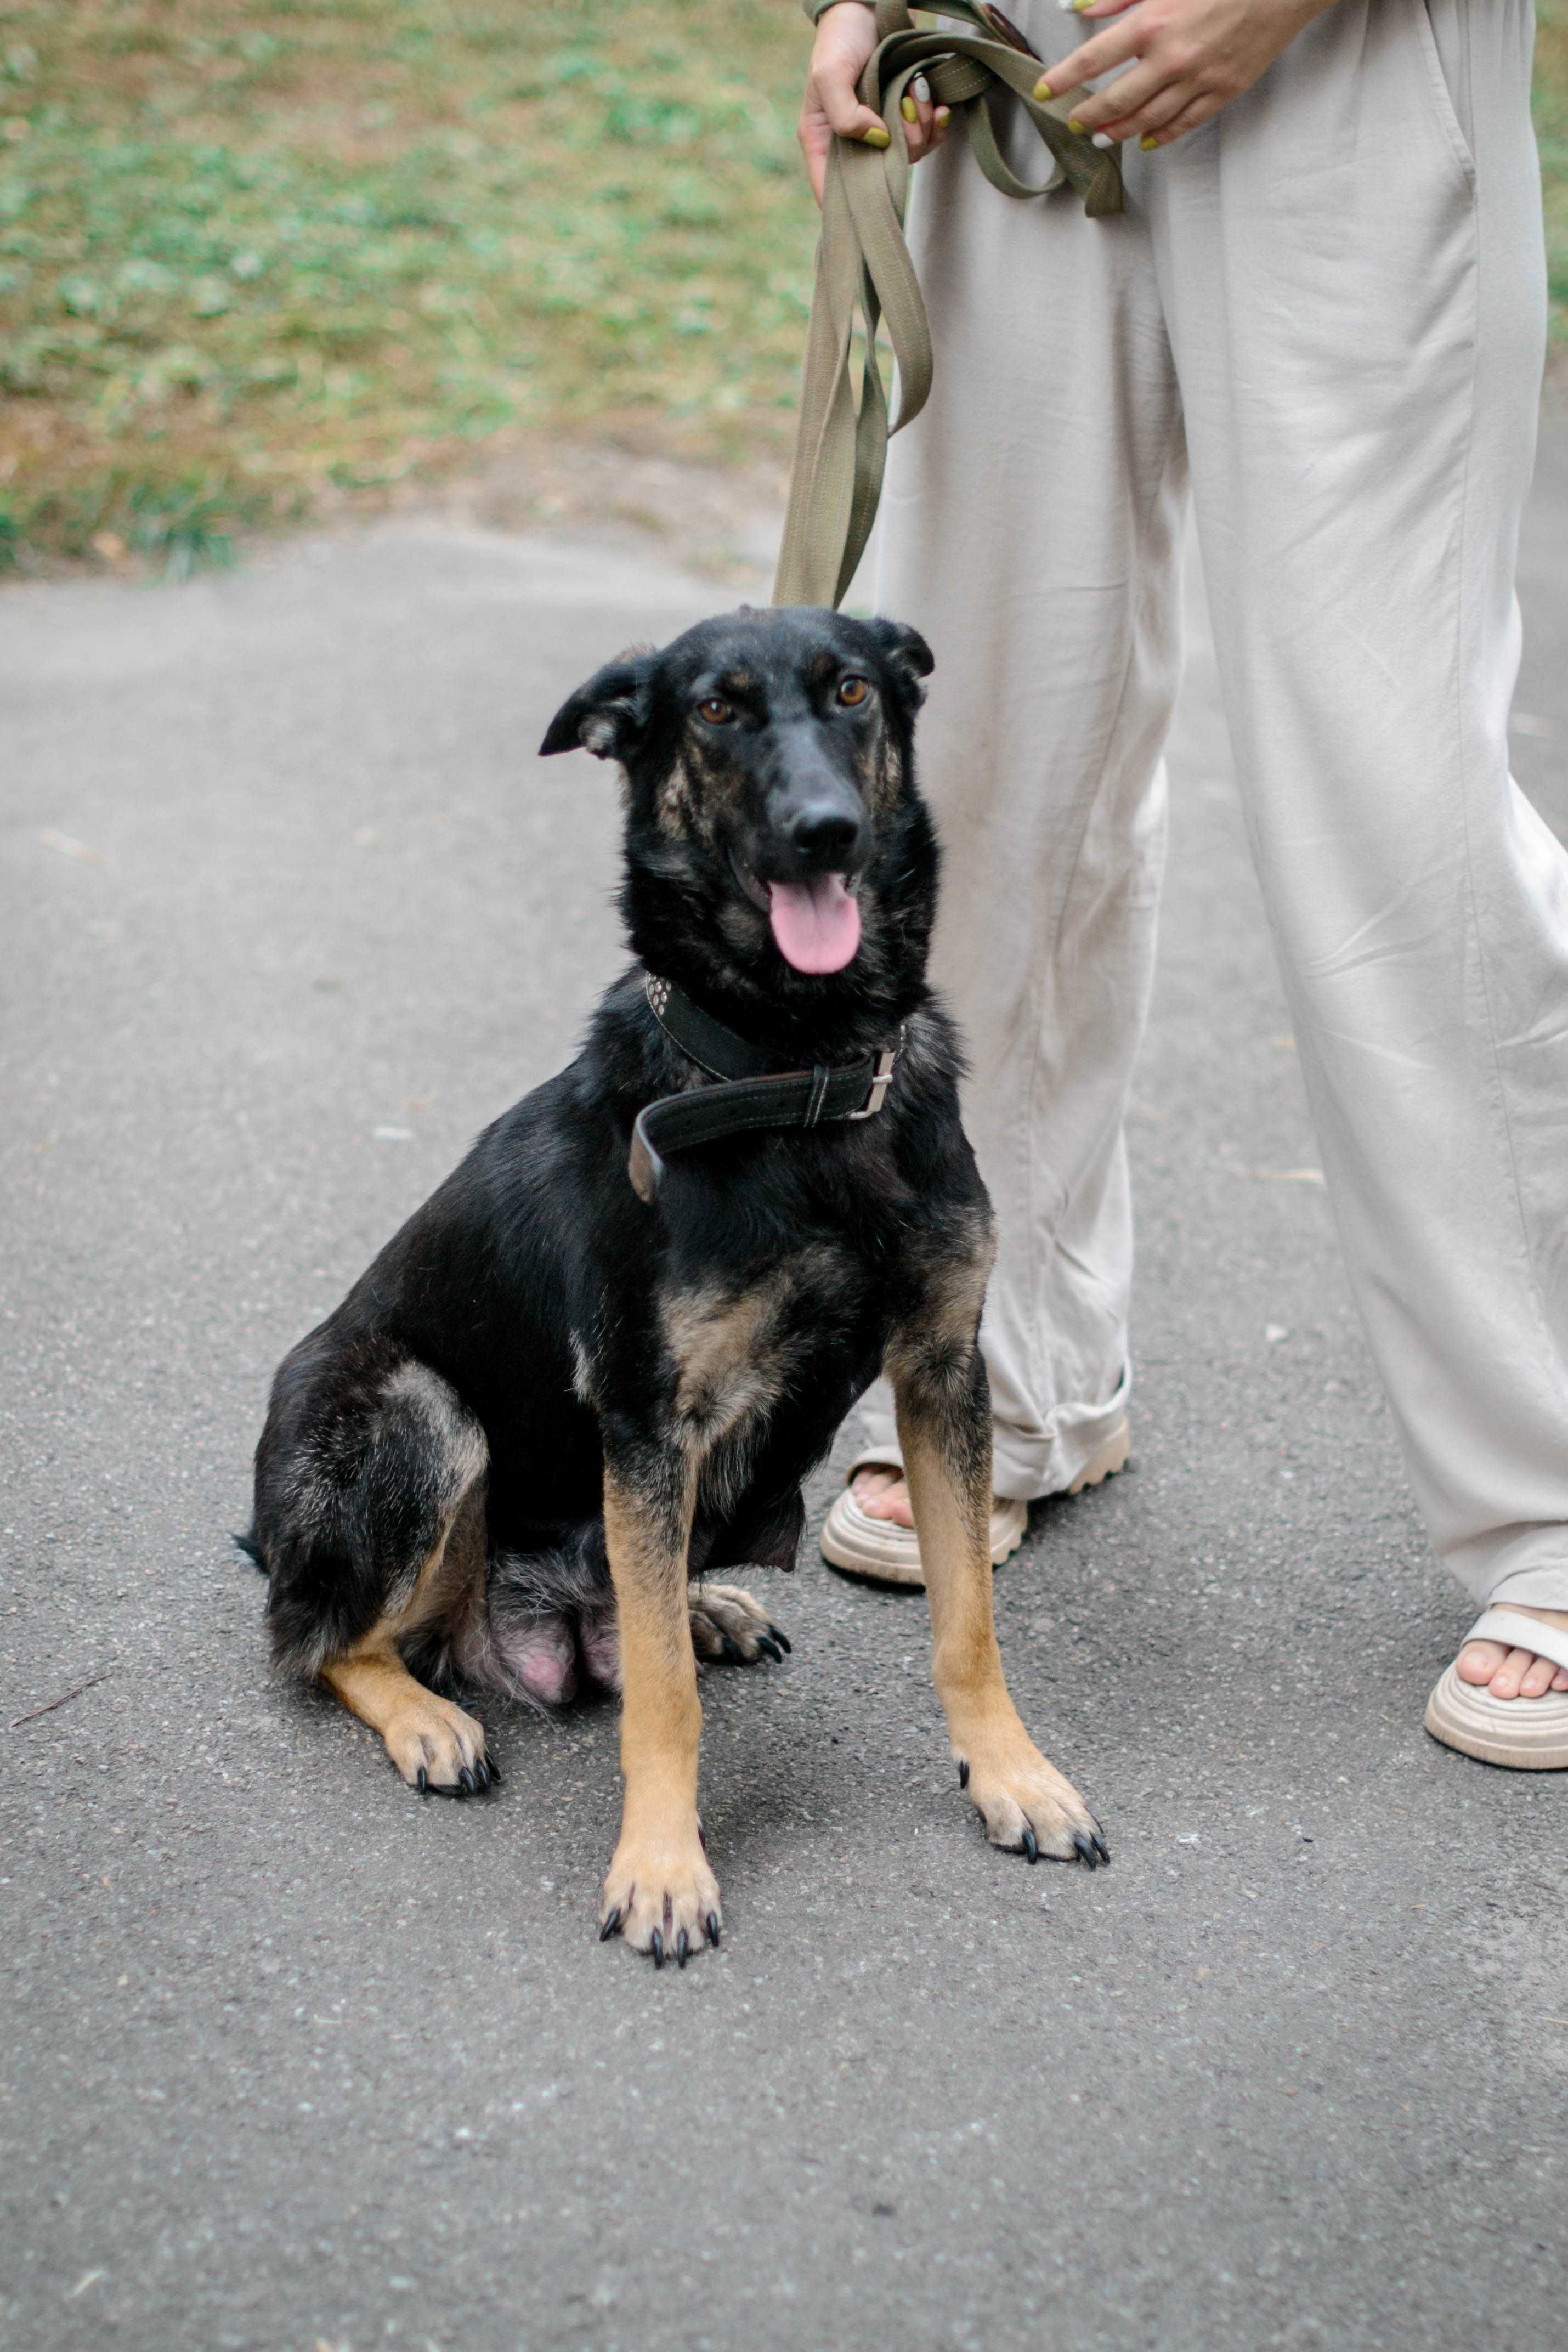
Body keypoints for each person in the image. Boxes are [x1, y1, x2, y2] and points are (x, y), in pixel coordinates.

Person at [799, 0, 1568, 1767]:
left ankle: (1545, 1487)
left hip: (1351, 70)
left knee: (1385, 796)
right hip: (1000, 59)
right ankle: (1013, 1376)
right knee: (981, 753)